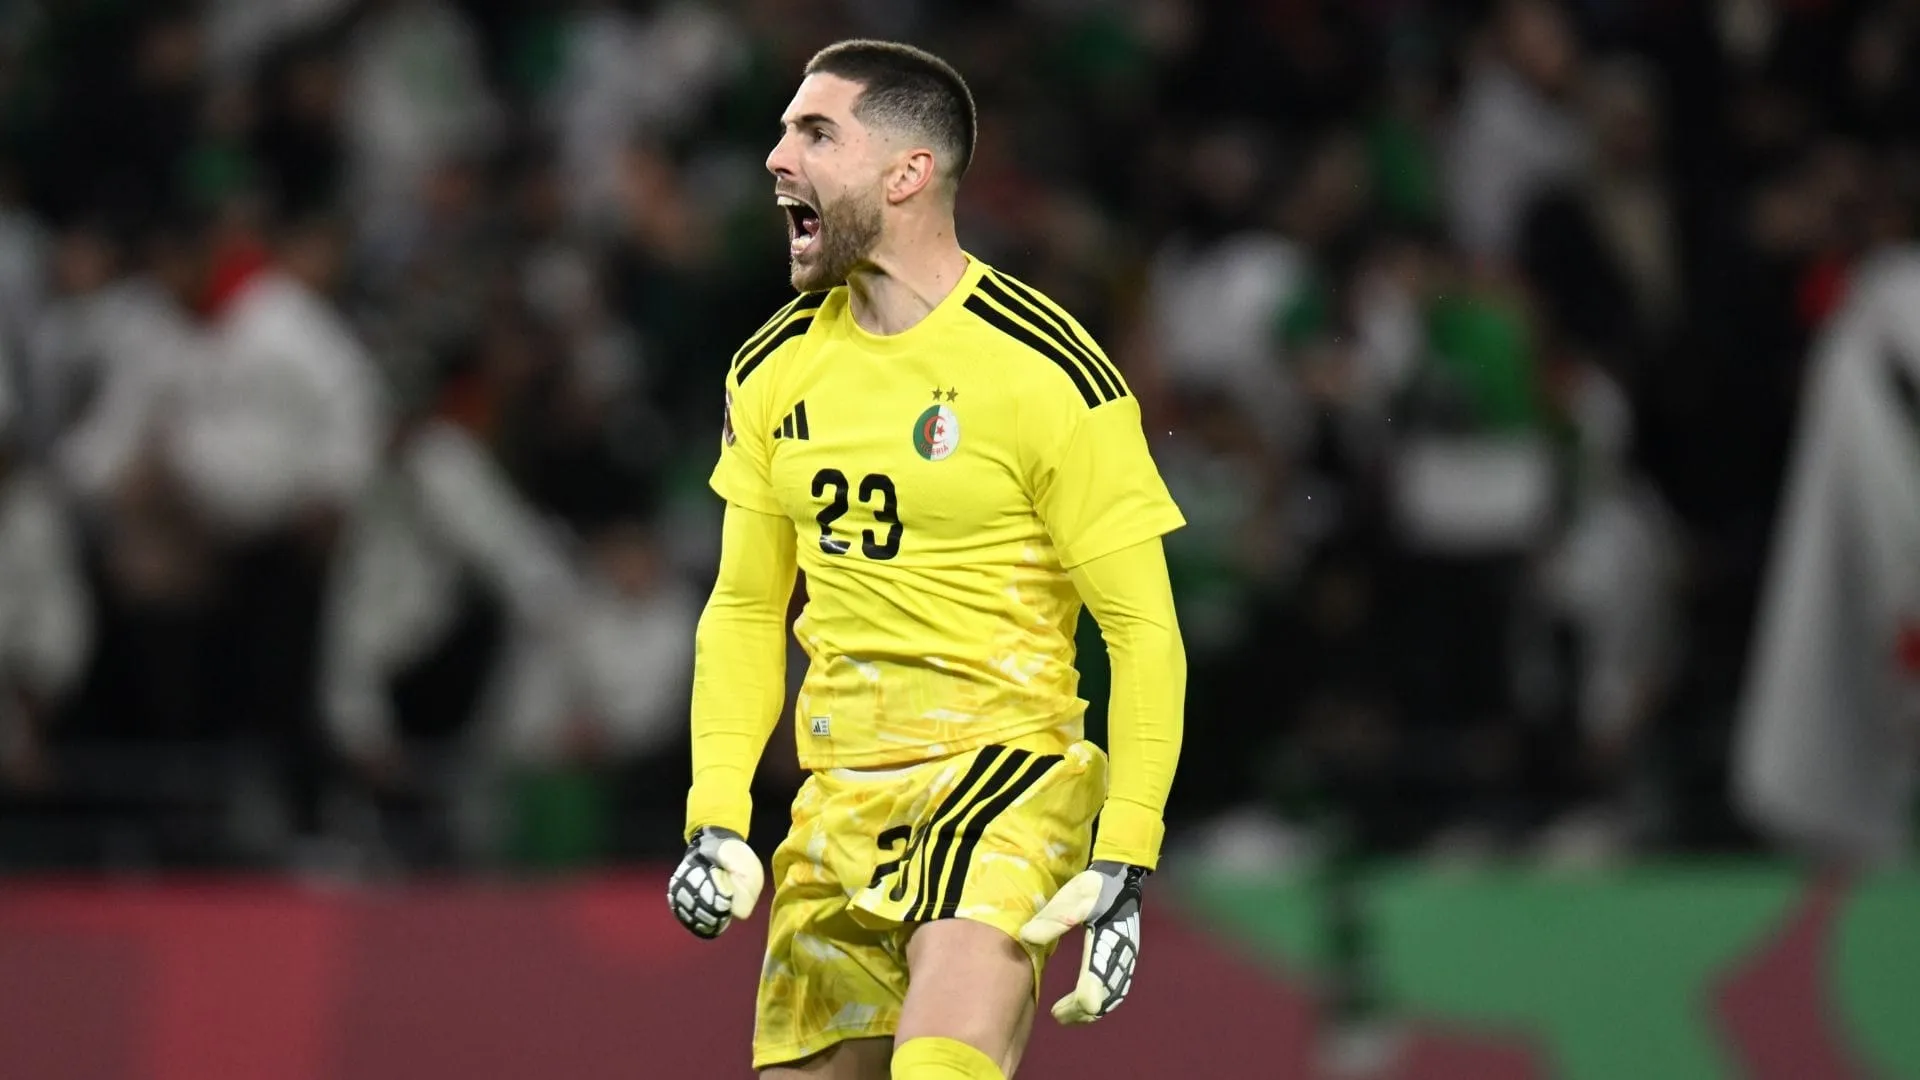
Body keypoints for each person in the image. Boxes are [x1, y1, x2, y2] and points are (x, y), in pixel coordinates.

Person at [666, 40, 1188, 1080]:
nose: (776, 157)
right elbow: (745, 606)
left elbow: (1141, 630)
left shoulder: (1046, 370)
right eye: (783, 130)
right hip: (835, 800)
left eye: (816, 133)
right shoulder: (770, 370)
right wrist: (717, 813)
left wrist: (1127, 850)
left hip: (1002, 779)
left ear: (908, 174)